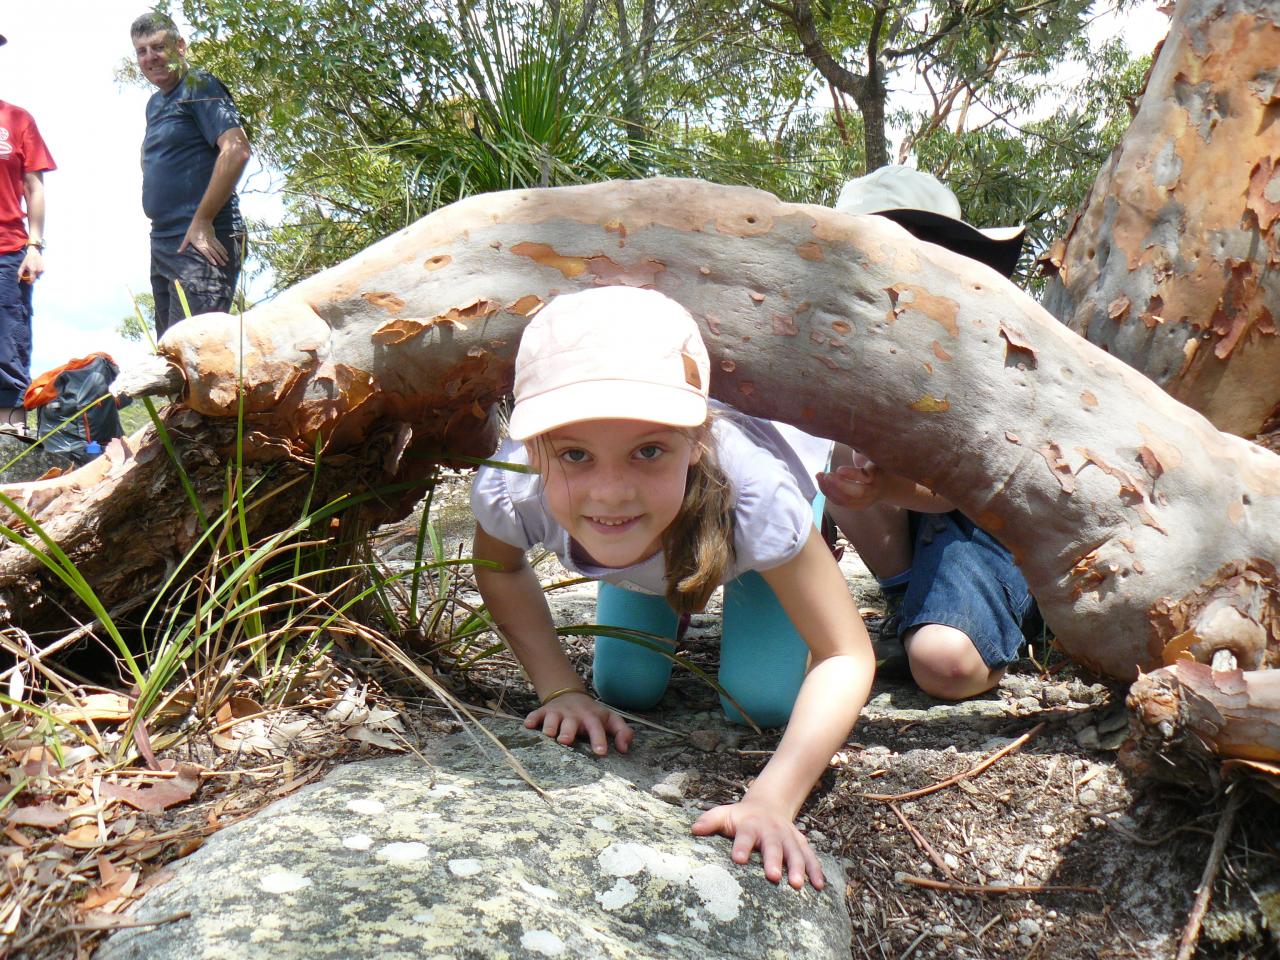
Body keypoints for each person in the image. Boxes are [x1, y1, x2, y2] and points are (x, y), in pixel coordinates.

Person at [470, 286, 875, 890]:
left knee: (760, 703)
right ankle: (672, 595)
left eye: (648, 450)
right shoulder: (517, 487)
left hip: (757, 554)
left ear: (698, 441)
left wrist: (773, 799)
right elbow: (500, 567)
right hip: (650, 547)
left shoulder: (757, 496)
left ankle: (728, 592)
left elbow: (845, 653)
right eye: (576, 455)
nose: (611, 492)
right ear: (531, 449)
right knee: (623, 687)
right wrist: (558, 687)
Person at [817, 165, 1037, 702]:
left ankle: (1011, 620)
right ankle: (910, 601)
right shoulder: (848, 347)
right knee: (838, 446)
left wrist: (882, 491)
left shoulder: (981, 345)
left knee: (945, 665)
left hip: (986, 526)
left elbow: (971, 484)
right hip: (913, 515)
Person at [131, 12, 250, 336]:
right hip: (164, 238)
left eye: (158, 47)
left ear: (180, 46)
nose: (150, 57)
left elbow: (236, 149)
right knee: (170, 354)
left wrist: (202, 222)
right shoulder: (155, 104)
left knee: (195, 351)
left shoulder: (200, 85)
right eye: (141, 51)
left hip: (202, 236)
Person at [0, 32, 56, 433]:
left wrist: (35, 245)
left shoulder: (17, 120)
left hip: (8, 249)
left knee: (10, 338)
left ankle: (10, 425)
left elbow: (34, 186)